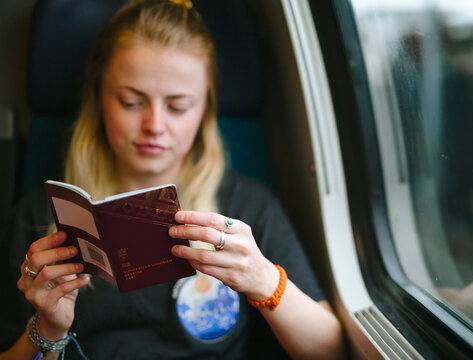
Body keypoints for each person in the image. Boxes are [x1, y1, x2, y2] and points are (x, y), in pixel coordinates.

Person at [0, 0, 347, 359]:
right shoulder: (42, 218)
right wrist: (48, 329)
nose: (154, 125)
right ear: (99, 98)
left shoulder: (245, 207)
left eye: (178, 106)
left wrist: (264, 280)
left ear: (205, 110)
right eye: (131, 102)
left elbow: (330, 352)